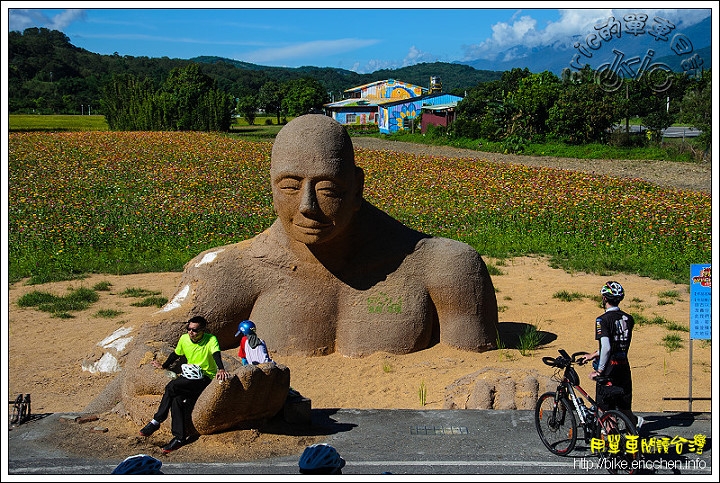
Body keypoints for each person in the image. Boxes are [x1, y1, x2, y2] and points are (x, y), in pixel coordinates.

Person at [142, 113, 498, 358]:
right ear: (271, 185)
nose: (308, 205)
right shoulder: (230, 271)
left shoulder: (444, 267)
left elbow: (476, 366)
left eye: (328, 189)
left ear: (357, 188)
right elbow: (146, 351)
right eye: (290, 186)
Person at [139, 315, 230, 453]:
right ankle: (179, 438)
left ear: (203, 330)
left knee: (172, 386)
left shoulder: (211, 339)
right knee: (177, 400)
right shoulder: (184, 339)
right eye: (189, 329)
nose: (191, 332)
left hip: (204, 377)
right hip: (189, 376)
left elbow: (216, 354)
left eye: (194, 330)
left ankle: (157, 421)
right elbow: (176, 354)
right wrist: (163, 366)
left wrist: (221, 369)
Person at [580, 281, 642, 428]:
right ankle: (634, 435)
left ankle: (612, 444)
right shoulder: (628, 319)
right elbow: (616, 344)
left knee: (607, 410)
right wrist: (594, 354)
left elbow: (607, 347)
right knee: (624, 407)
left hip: (609, 370)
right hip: (623, 367)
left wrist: (599, 371)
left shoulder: (602, 320)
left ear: (604, 298)